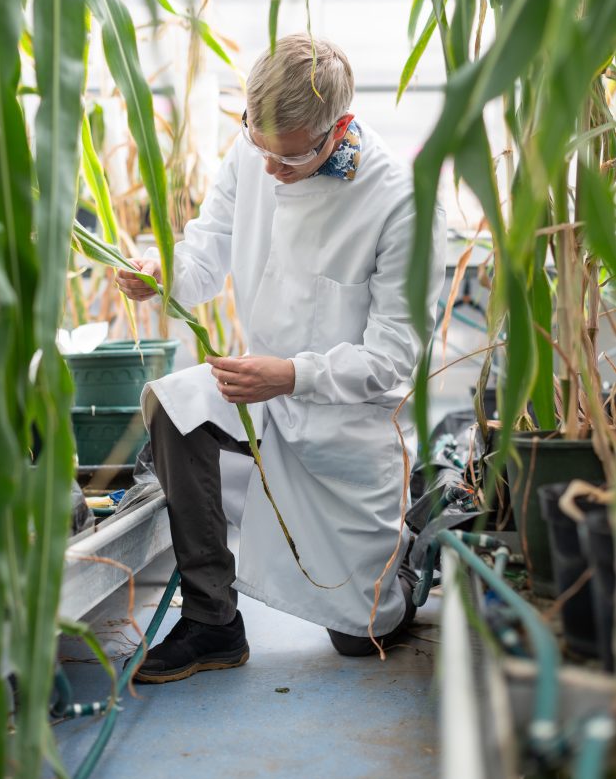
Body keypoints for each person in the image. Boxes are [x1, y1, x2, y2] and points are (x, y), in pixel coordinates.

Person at [117, 34, 446, 684]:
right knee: (173, 408)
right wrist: (164, 270)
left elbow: (391, 359)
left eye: (288, 159)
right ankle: (212, 620)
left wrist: (291, 374)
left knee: (364, 636)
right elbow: (208, 246)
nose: (269, 169)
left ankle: (411, 551)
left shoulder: (400, 204)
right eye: (259, 147)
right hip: (262, 399)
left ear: (338, 128)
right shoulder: (254, 149)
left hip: (342, 433)